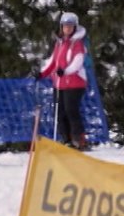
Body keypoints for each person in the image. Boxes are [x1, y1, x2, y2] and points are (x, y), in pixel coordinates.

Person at [36, 12, 92, 149]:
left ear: (75, 27)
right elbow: (53, 62)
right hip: (60, 83)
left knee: (71, 110)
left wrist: (65, 71)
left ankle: (79, 139)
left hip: (75, 83)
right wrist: (43, 73)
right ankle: (66, 139)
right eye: (65, 26)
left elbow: (78, 62)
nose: (67, 29)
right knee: (60, 112)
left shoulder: (77, 43)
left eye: (70, 26)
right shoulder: (59, 43)